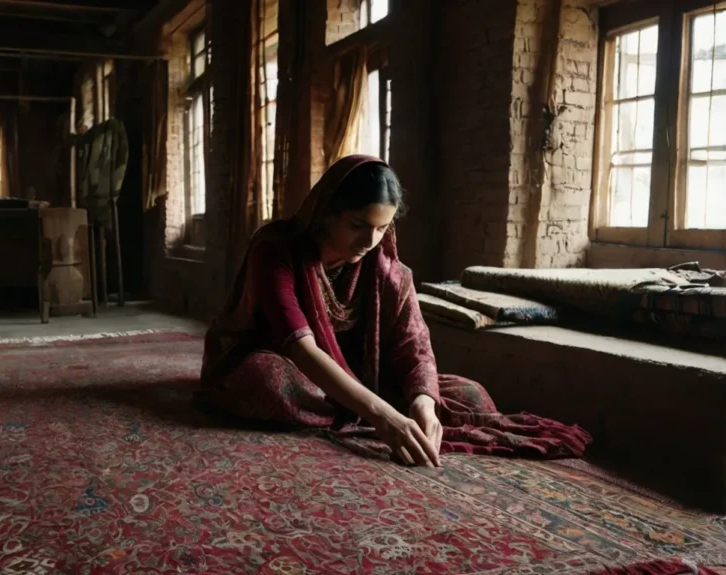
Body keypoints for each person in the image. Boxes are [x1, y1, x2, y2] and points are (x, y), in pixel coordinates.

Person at [198, 154, 591, 467]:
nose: (369, 240)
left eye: (382, 228)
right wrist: (385, 417)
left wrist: (422, 403)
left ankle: (361, 410)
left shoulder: (387, 270)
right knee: (269, 382)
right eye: (357, 225)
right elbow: (302, 349)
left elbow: (414, 346)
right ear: (327, 213)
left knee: (467, 395)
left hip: (358, 375)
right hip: (282, 360)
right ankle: (362, 410)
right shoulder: (277, 250)